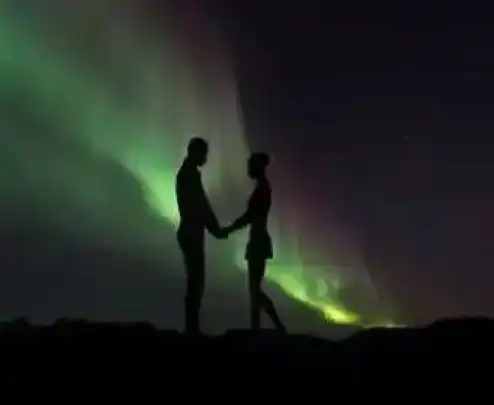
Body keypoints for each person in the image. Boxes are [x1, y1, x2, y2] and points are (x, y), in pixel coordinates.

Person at [222, 153, 286, 332]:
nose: (248, 169)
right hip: (259, 240)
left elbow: (250, 216)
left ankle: (275, 325)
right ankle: (258, 327)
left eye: (251, 165)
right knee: (254, 289)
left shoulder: (262, 189)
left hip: (258, 241)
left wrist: (229, 229)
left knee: (254, 289)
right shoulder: (263, 187)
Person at [175, 137, 226, 334]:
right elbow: (200, 206)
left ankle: (192, 327)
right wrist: (216, 230)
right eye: (204, 154)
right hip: (192, 233)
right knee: (196, 281)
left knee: (195, 280)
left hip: (189, 231)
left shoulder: (187, 173)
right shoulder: (189, 175)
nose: (205, 158)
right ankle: (192, 328)